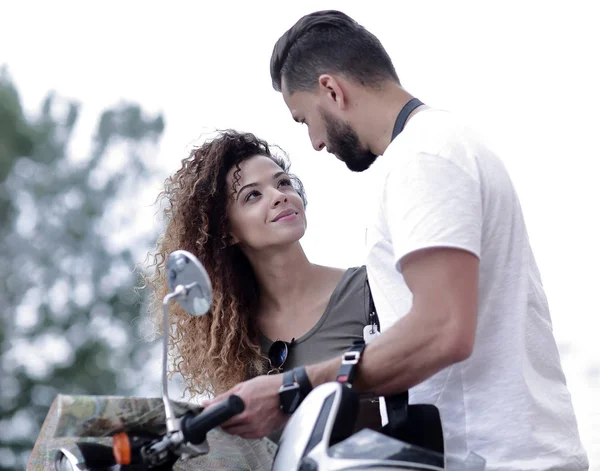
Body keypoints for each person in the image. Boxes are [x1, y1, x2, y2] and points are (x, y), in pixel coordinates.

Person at [206, 10, 589, 470]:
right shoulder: (443, 144)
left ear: (332, 90)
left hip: (503, 460)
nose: (315, 143)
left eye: (306, 119)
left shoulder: (423, 157)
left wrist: (295, 386)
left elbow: (442, 330)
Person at [145, 129, 380, 439]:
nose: (280, 195)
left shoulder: (371, 289)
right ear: (227, 232)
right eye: (253, 195)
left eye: (282, 182)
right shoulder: (235, 345)